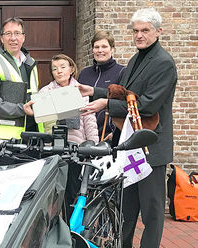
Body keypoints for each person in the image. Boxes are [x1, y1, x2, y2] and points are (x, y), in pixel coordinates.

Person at [78, 8, 177, 248]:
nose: (139, 35)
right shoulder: (135, 59)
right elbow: (122, 93)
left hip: (151, 148)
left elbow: (146, 104)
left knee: (152, 212)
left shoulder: (164, 63)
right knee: (127, 208)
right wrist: (94, 91)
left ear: (158, 32)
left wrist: (106, 104)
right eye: (135, 31)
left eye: (145, 30)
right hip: (131, 146)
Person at [40, 54, 99, 225]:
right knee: (56, 193)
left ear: (72, 68)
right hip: (55, 148)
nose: (59, 71)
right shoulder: (46, 92)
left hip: (77, 149)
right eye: (54, 68)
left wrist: (92, 145)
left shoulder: (81, 90)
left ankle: (73, 230)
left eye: (63, 67)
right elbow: (45, 121)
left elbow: (89, 119)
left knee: (74, 190)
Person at [0, 17, 40, 140]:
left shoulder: (31, 64)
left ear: (23, 37)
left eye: (17, 33)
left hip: (31, 136)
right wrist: (22, 109)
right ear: (2, 38)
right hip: (2, 140)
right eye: (8, 34)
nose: (13, 38)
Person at [78, 30, 125, 141]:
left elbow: (124, 104)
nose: (100, 50)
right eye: (96, 47)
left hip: (109, 135)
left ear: (112, 49)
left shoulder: (122, 72)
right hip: (85, 137)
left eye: (104, 46)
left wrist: (116, 133)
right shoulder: (84, 73)